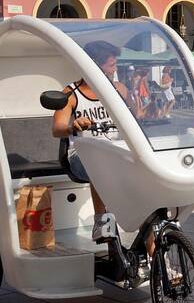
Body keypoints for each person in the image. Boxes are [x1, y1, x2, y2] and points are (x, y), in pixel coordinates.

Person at [50, 40, 143, 246]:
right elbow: (57, 128)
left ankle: (158, 255)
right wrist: (73, 126)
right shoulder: (71, 93)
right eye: (111, 65)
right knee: (100, 159)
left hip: (115, 151)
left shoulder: (118, 89)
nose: (115, 69)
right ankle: (101, 220)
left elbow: (136, 119)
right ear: (93, 65)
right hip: (81, 154)